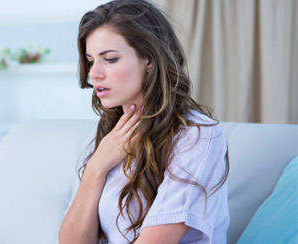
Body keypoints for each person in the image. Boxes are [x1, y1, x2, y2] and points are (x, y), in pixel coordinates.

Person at [59, 0, 229, 243]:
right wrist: (96, 168)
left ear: (149, 60)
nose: (94, 73)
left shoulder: (197, 135)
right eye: (90, 60)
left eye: (110, 59)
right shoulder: (108, 138)